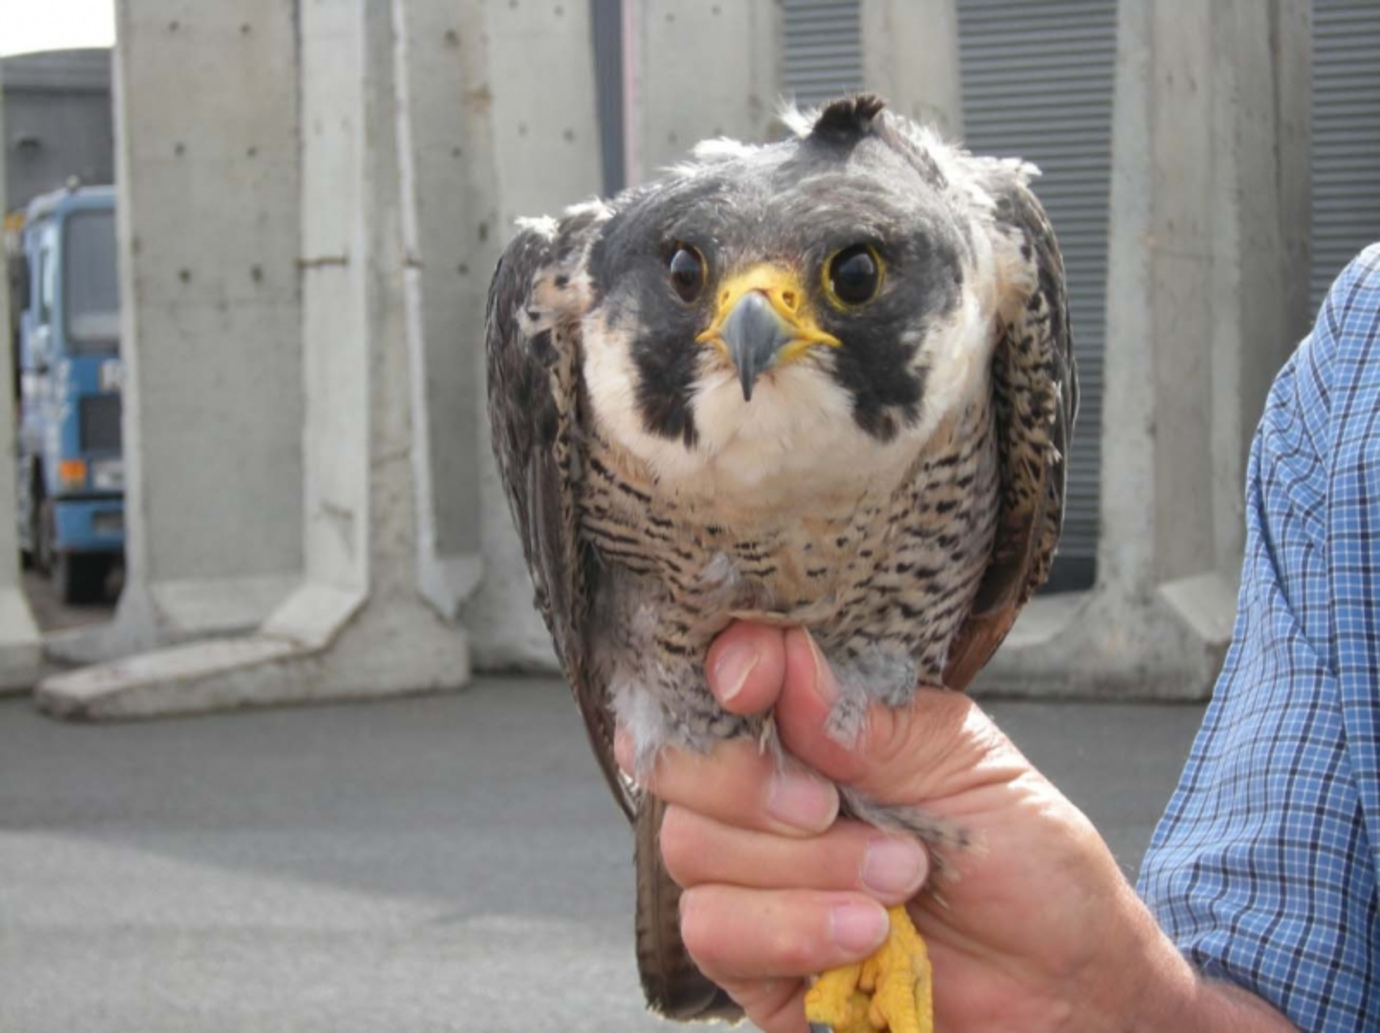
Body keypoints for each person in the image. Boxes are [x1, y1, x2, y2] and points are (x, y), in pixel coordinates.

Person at [616, 245, 1380, 1033]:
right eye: (690, 279)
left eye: (848, 279)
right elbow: (1291, 994)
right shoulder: (1362, 349)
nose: (752, 316)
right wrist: (1103, 1005)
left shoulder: (988, 263)